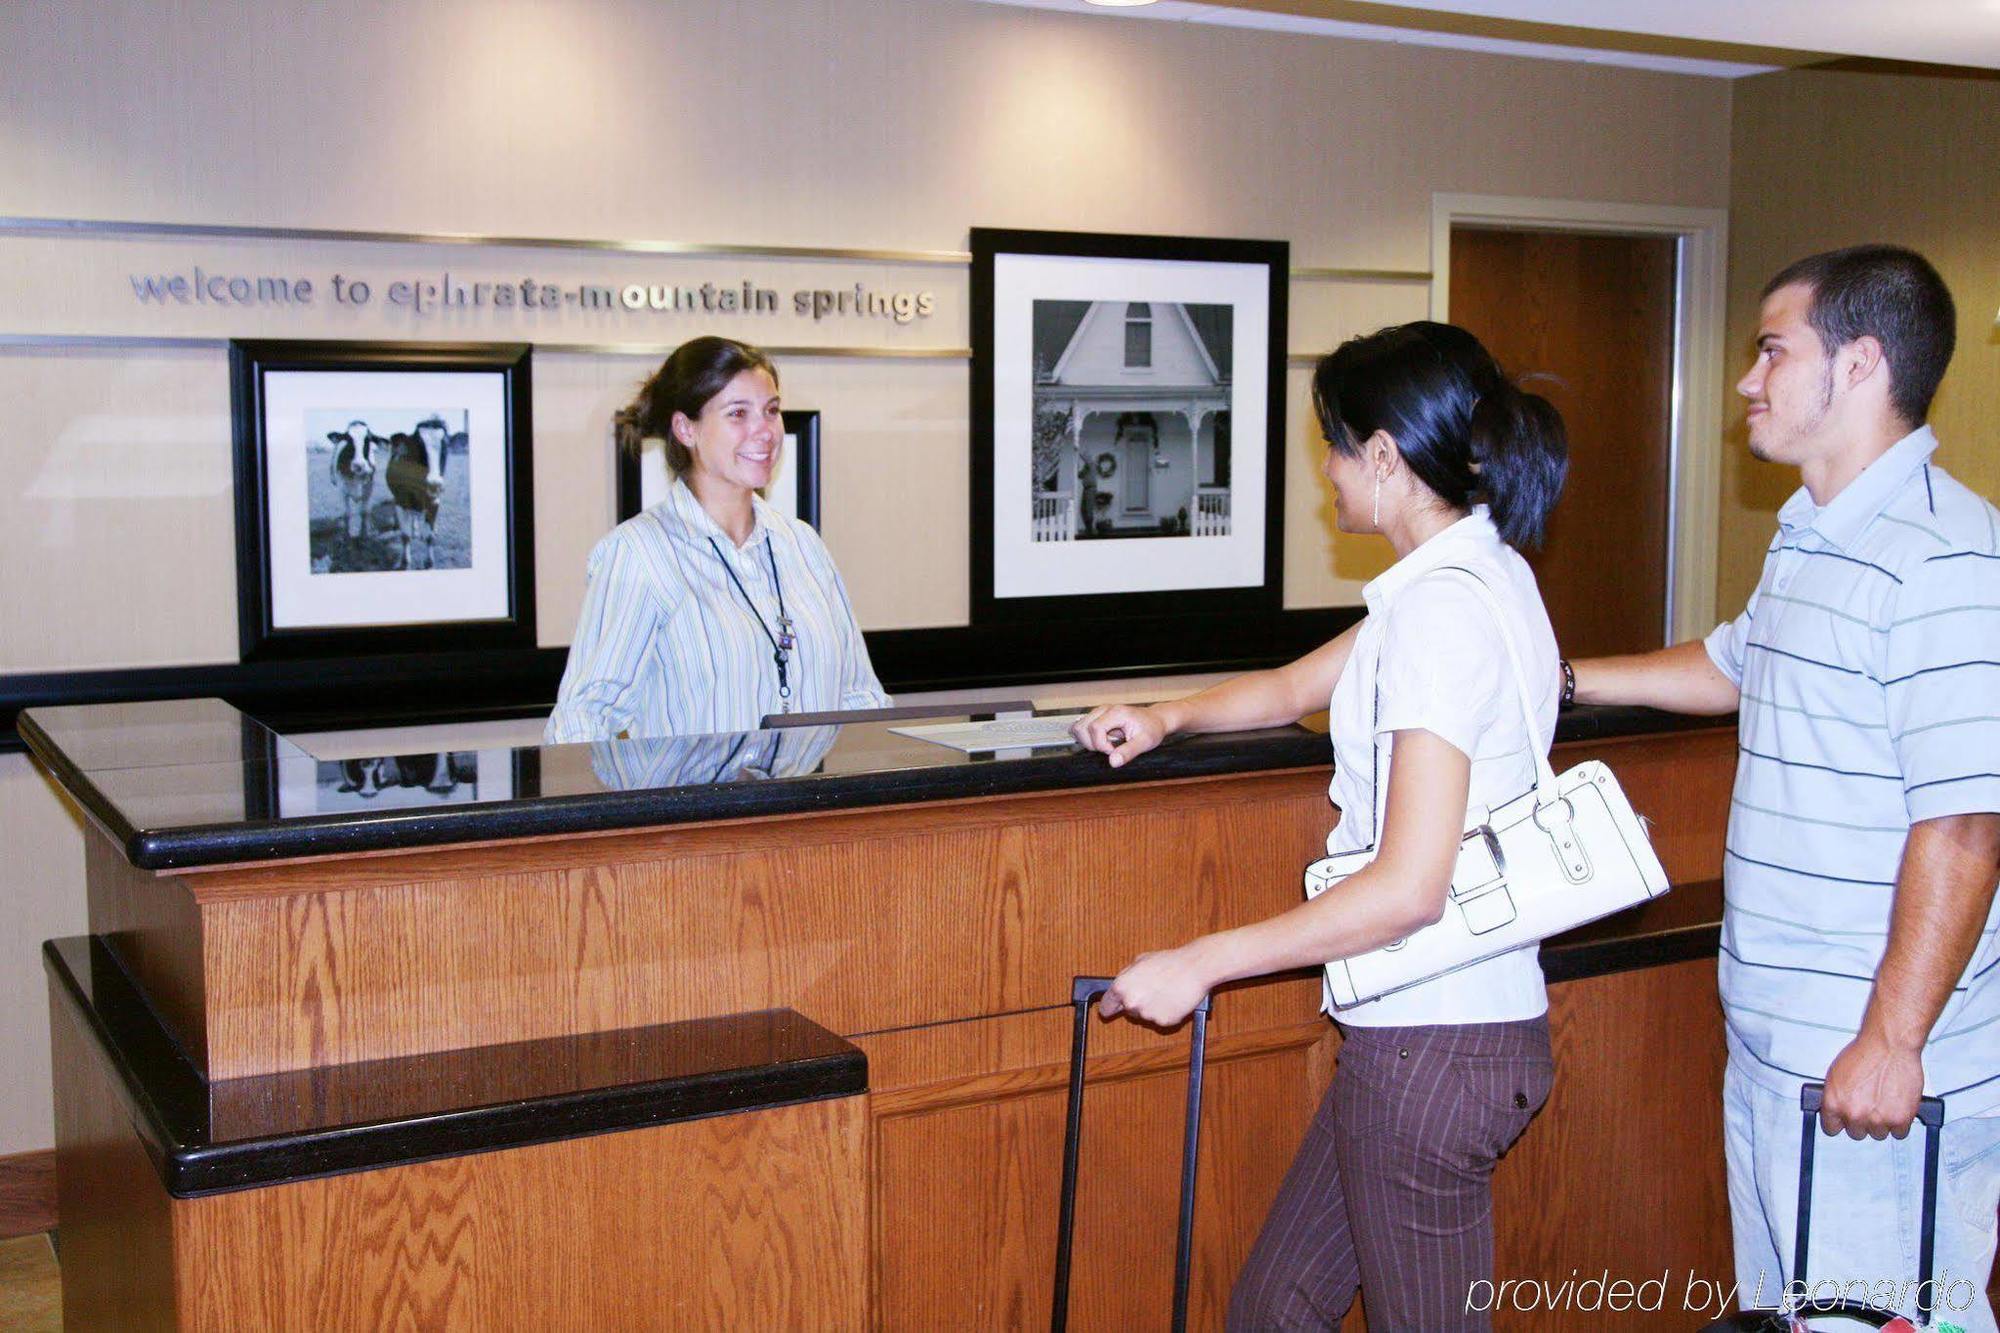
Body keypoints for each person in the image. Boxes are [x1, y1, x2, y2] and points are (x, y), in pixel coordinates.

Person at [1072, 321, 1569, 1331]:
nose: (1327, 474)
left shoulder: (1441, 613)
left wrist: (1201, 958)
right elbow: (1297, 683)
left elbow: (1403, 888)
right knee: (1272, 1310)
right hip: (1421, 1036)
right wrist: (1167, 715)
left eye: (1336, 448)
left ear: (1382, 457)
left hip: (1434, 1045)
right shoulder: (1464, 579)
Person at [1570, 245, 2000, 1331]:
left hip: (1873, 1077)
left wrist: (1892, 1040)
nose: (1745, 380)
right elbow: (1730, 664)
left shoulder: (1944, 560)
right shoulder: (1811, 530)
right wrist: (1556, 681)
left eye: (1771, 349)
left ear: (1856, 364)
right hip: (1778, 1048)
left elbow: (1960, 823)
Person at [546, 336, 889, 742]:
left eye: (771, 410)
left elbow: (859, 696)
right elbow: (582, 721)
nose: (764, 431)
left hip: (815, 801)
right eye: (738, 414)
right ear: (686, 429)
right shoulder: (639, 553)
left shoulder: (802, 544)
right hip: (699, 805)